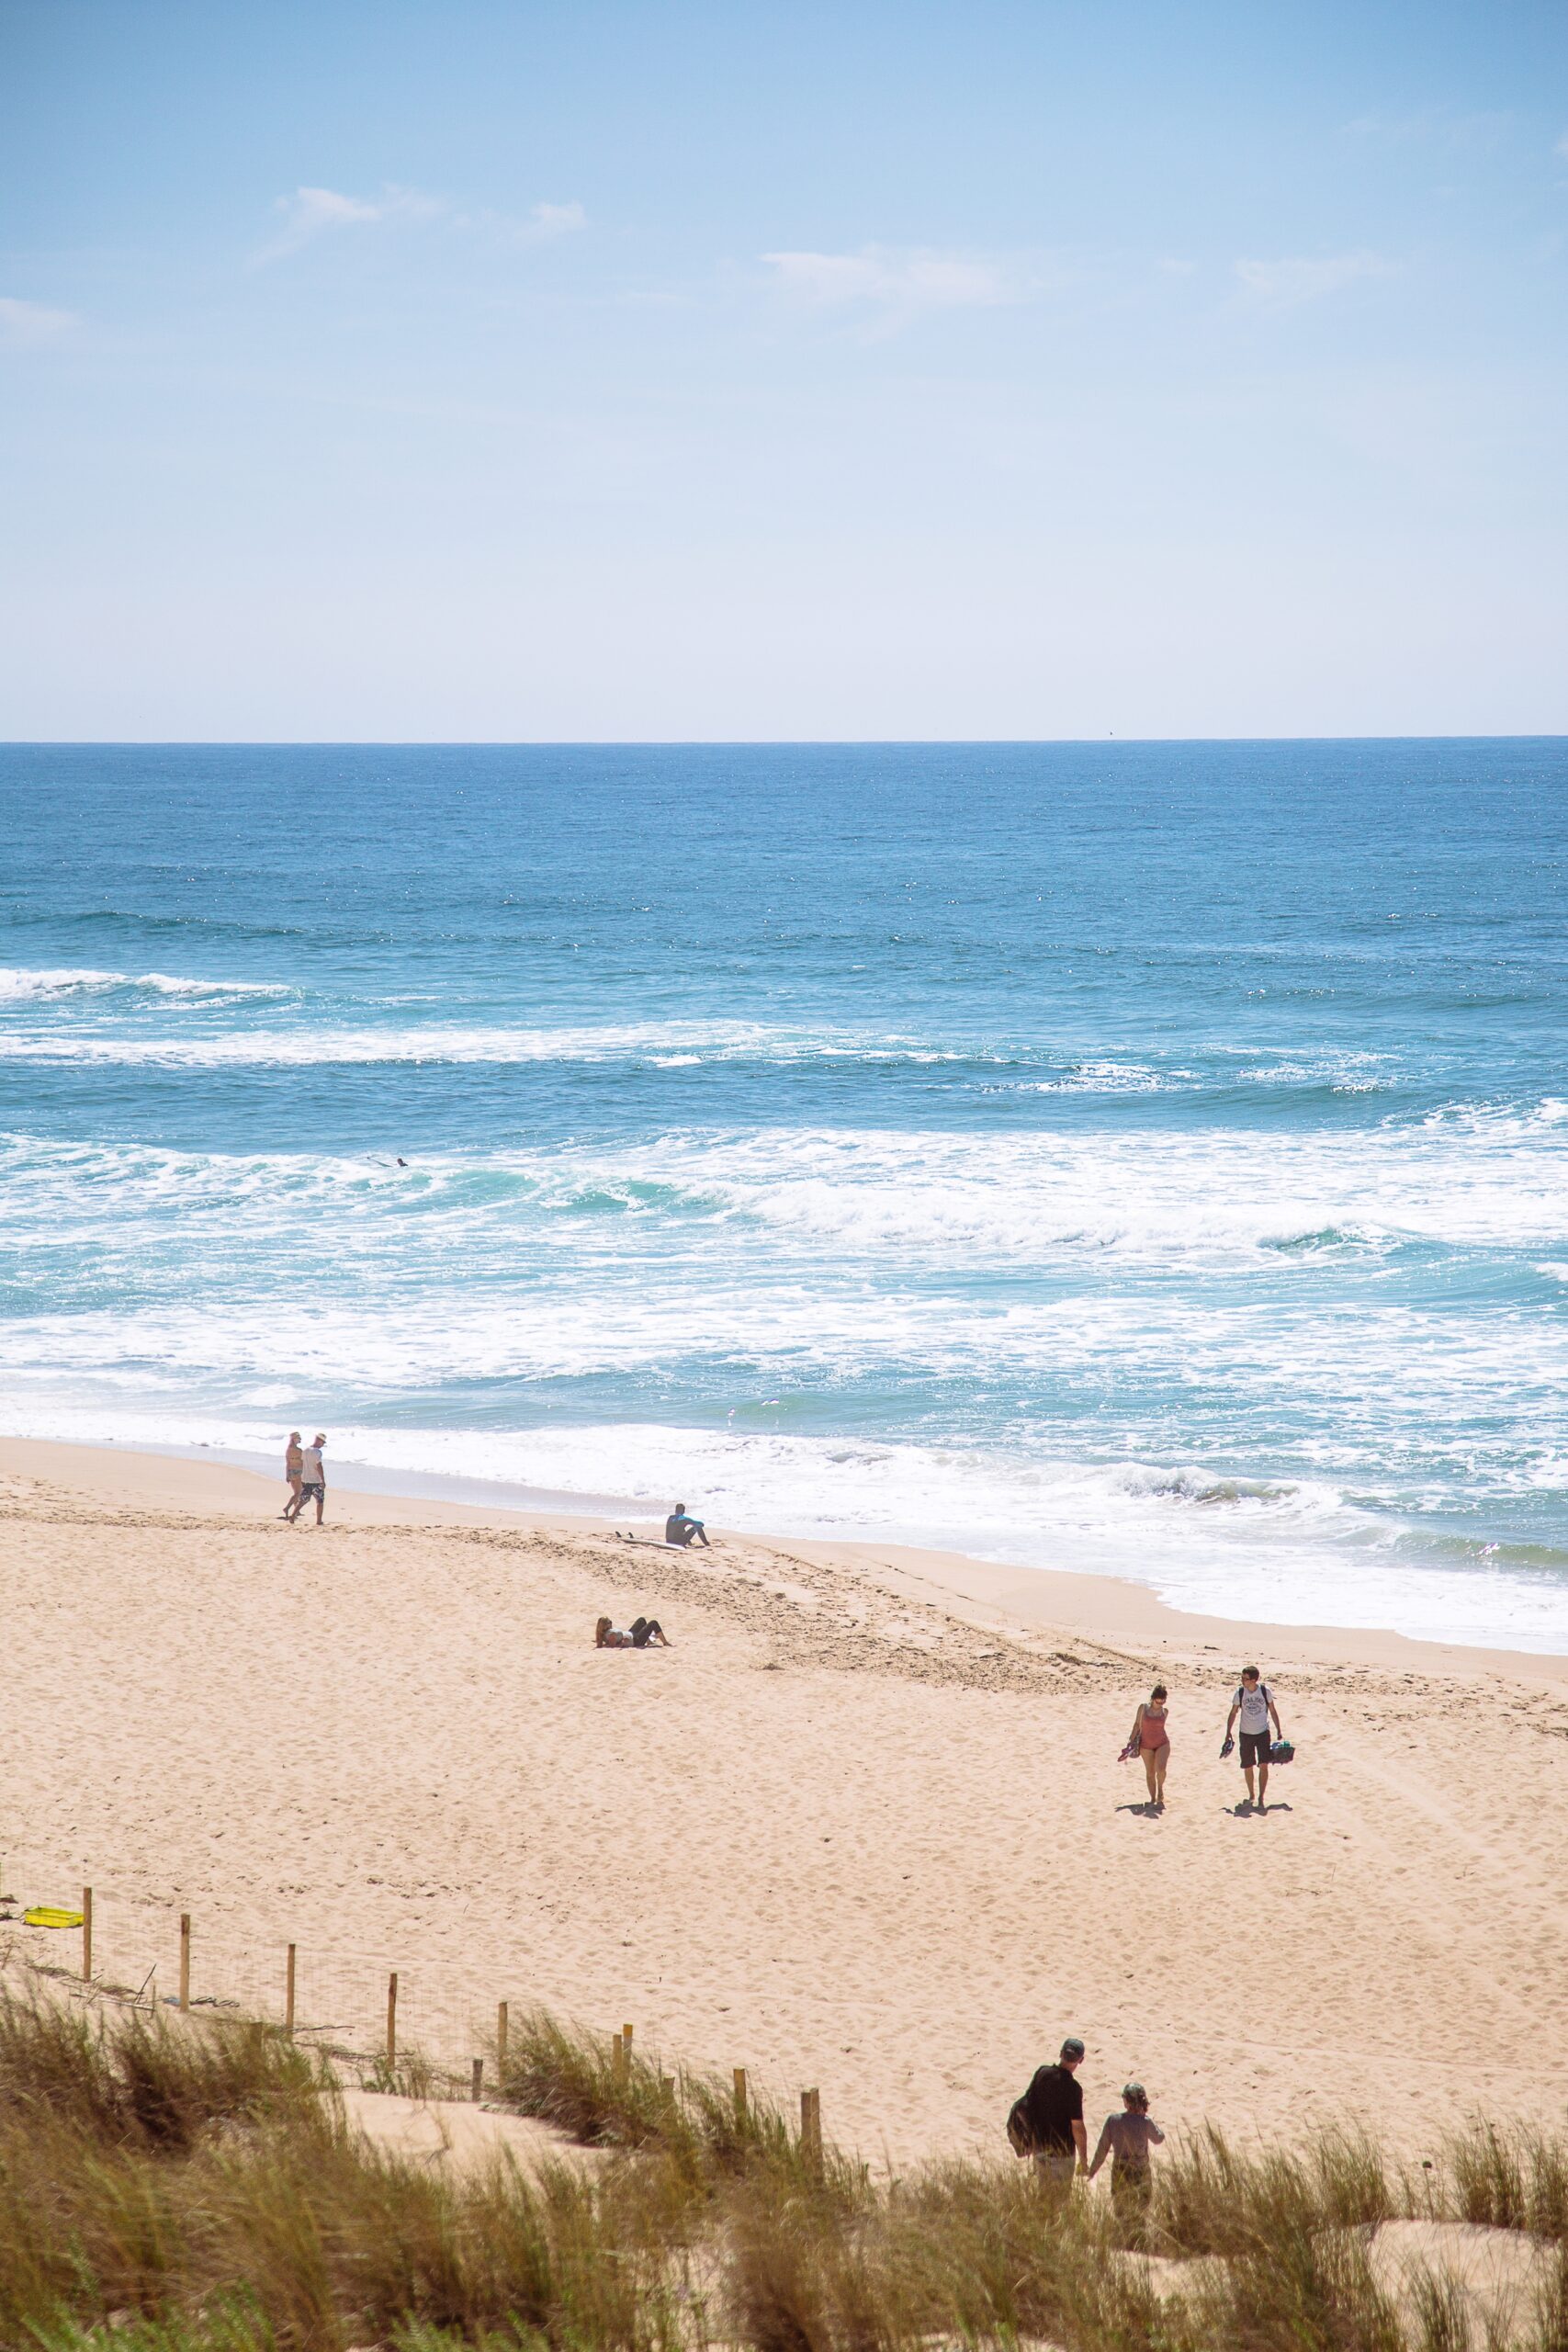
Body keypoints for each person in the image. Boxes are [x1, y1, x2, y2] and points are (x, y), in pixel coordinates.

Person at [1088, 2083, 1164, 2236]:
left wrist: (1093, 2170)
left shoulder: (1113, 2121)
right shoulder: (1145, 2121)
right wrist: (1146, 2117)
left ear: (1126, 2101)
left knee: (1121, 2211)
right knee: (1141, 2210)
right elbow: (1159, 2138)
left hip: (1120, 2171)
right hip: (1141, 2170)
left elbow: (1102, 2148)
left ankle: (1124, 2240)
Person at [1016, 2037, 1089, 2186]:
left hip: (1039, 2147)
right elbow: (1077, 2126)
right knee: (1060, 2195)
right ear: (1081, 2060)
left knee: (1043, 2193)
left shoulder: (1042, 2073)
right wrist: (1083, 2159)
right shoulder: (1073, 2088)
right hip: (1062, 2152)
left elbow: (1028, 2105)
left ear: (1061, 2053)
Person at [1224, 1666, 1283, 1810]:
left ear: (1254, 1680)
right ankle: (1251, 1795)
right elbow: (1233, 1712)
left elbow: (1273, 1711)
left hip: (1263, 1732)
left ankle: (1261, 1797)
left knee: (1264, 1764)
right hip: (1245, 1733)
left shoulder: (1265, 1691)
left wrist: (1279, 1730)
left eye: (1245, 1678)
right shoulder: (1240, 1693)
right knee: (1248, 1765)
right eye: (1242, 1678)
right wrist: (1228, 1731)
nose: (1242, 1681)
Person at [1127, 1683, 1170, 1808]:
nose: (1160, 1704)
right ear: (1153, 1699)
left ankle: (1160, 1790)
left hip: (1162, 1743)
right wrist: (1130, 1740)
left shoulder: (1165, 1712)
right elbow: (1137, 1725)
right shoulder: (1143, 1709)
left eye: (1163, 1702)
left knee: (1161, 1769)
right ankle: (1152, 1798)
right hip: (1146, 1745)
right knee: (1150, 1772)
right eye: (1158, 1702)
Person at [288, 1433, 327, 1526]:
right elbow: (319, 1466)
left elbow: (303, 1463)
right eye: (323, 1443)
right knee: (320, 1501)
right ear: (319, 1441)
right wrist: (323, 1480)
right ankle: (319, 1521)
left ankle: (293, 1515)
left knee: (303, 1500)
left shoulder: (305, 1450)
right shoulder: (317, 1452)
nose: (322, 1445)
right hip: (316, 1480)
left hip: (305, 1479)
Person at [595, 1615, 672, 1648]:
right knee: (653, 1623)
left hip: (632, 1634)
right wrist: (623, 1642)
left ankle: (649, 1641)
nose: (611, 1623)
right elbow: (613, 1647)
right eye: (610, 1622)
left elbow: (608, 1644)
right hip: (636, 1641)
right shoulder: (611, 1634)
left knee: (641, 1620)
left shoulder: (605, 1633)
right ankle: (665, 1642)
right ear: (605, 1626)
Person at [282, 1431, 303, 1520]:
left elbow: (287, 1463)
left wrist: (287, 1475)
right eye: (298, 1438)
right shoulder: (299, 1451)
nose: (300, 1439)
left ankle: (297, 1511)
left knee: (296, 1493)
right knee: (298, 1493)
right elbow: (303, 1462)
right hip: (298, 1472)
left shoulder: (288, 1450)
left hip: (291, 1472)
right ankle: (287, 1508)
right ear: (294, 1439)